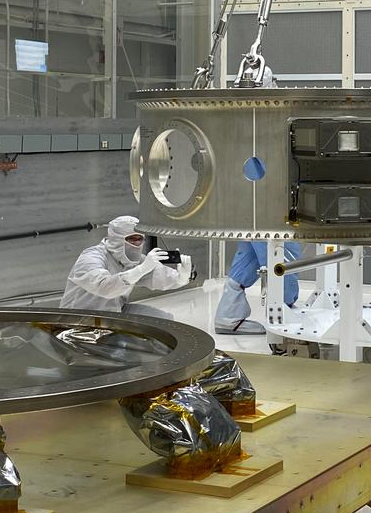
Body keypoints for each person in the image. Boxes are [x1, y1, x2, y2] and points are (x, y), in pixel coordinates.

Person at [215, 64, 302, 335]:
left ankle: (228, 317)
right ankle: (284, 312)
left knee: (250, 257)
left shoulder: (242, 118)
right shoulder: (260, 122)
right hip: (266, 206)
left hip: (248, 205)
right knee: (280, 255)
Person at [60, 215, 192, 312]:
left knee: (161, 320)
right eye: (131, 239)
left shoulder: (136, 261)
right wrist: (140, 270)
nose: (136, 244)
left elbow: (160, 277)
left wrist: (181, 277)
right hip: (79, 318)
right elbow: (105, 287)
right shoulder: (91, 257)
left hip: (115, 312)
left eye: (139, 239)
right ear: (117, 239)